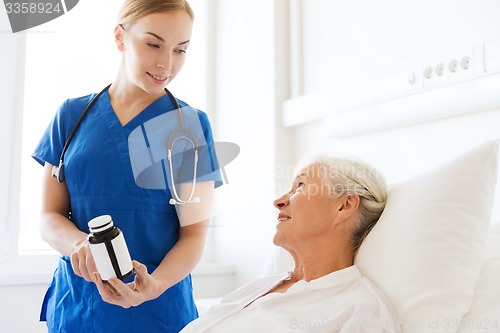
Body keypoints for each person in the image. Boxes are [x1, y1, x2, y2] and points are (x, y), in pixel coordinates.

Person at [32, 1, 221, 332]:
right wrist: (79, 245)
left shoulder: (189, 127)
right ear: (120, 37)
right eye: (153, 44)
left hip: (159, 313)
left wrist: (155, 285)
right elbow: (49, 217)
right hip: (80, 309)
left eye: (181, 50)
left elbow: (193, 236)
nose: (167, 63)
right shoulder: (71, 117)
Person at [181, 156, 401, 332]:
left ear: (344, 206)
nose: (278, 201)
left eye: (300, 185)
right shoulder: (259, 289)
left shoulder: (360, 313)